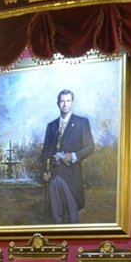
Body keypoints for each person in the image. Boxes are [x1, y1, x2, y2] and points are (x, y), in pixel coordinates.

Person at [41, 89, 95, 224]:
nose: (65, 104)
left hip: (71, 177)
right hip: (53, 177)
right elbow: (45, 152)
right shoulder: (51, 126)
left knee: (72, 218)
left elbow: (90, 146)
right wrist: (45, 171)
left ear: (72, 102)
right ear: (58, 103)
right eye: (62, 101)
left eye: (68, 101)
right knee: (55, 219)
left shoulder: (82, 122)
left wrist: (74, 156)